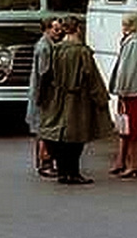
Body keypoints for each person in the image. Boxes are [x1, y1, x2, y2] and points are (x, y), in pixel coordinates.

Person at [38, 17, 114, 184]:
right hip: (77, 99)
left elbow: (46, 75)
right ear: (78, 29)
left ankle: (63, 172)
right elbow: (92, 77)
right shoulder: (82, 52)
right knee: (76, 138)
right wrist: (101, 99)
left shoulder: (56, 50)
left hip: (58, 97)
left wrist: (43, 98)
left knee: (59, 135)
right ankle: (73, 173)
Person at [108, 13, 137, 178]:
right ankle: (121, 161)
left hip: (130, 92)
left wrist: (120, 90)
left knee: (130, 128)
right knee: (128, 126)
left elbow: (126, 70)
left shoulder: (132, 44)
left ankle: (133, 164)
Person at [27, 17, 62, 177]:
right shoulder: (44, 48)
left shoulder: (47, 45)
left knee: (42, 130)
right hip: (43, 95)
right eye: (55, 29)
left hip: (40, 94)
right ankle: (45, 162)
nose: (59, 31)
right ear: (47, 29)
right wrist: (44, 98)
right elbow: (44, 74)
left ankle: (42, 162)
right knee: (44, 130)